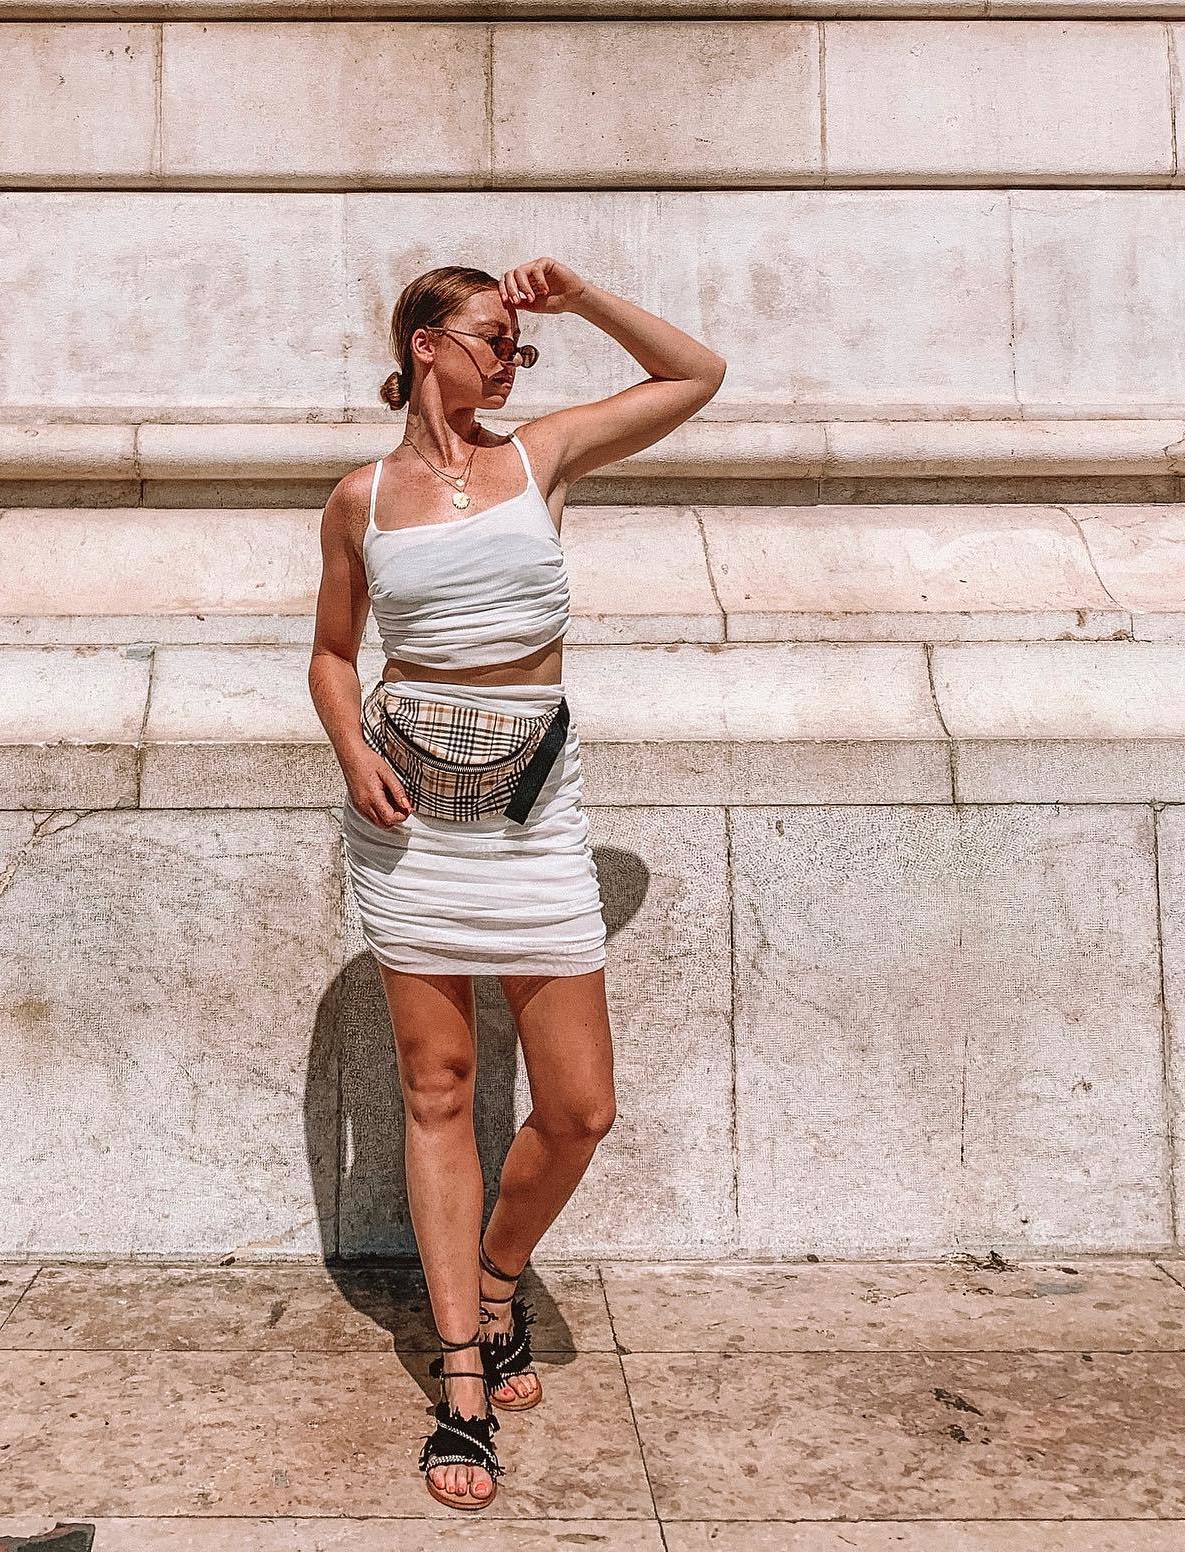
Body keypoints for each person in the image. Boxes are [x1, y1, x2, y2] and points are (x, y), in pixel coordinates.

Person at [308, 257, 726, 1510]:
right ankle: (461, 1378)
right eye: (492, 338)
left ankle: (498, 1280)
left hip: (536, 810)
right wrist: (351, 750)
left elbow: (696, 375)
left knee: (580, 1105)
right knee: (437, 1089)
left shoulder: (543, 458)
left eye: (517, 344)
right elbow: (332, 653)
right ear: (425, 344)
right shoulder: (360, 498)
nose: (509, 360)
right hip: (410, 820)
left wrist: (581, 299)